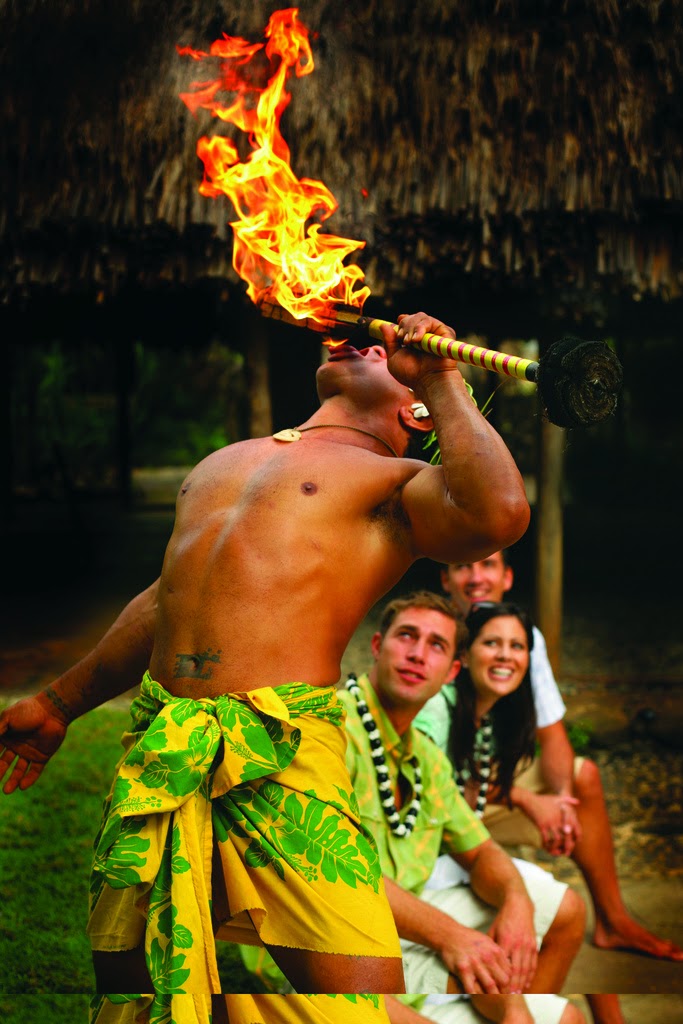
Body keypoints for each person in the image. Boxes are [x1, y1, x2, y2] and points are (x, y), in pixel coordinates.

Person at [0, 312, 530, 1017]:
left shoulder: (395, 485)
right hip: (166, 747)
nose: (372, 341)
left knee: (354, 1005)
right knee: (139, 993)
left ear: (413, 409)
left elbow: (496, 513)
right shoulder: (225, 461)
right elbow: (164, 603)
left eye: (385, 352)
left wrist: (440, 375)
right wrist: (60, 704)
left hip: (280, 755)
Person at [417, 550, 683, 965]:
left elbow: (552, 729)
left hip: (477, 784)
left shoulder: (524, 638)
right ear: (445, 580)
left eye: (487, 564)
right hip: (442, 804)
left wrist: (560, 803)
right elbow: (432, 773)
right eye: (463, 565)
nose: (475, 576)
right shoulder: (434, 638)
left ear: (507, 577)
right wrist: (526, 800)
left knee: (582, 776)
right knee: (556, 907)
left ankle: (613, 921)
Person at [339, 590, 586, 1009]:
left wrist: (516, 898)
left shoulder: (424, 755)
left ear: (452, 671)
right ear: (377, 646)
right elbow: (339, 877)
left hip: (406, 912)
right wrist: (453, 937)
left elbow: (482, 850)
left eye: (435, 645)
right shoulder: (337, 730)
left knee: (560, 1005)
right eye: (407, 637)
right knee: (495, 980)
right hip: (339, 936)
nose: (418, 655)